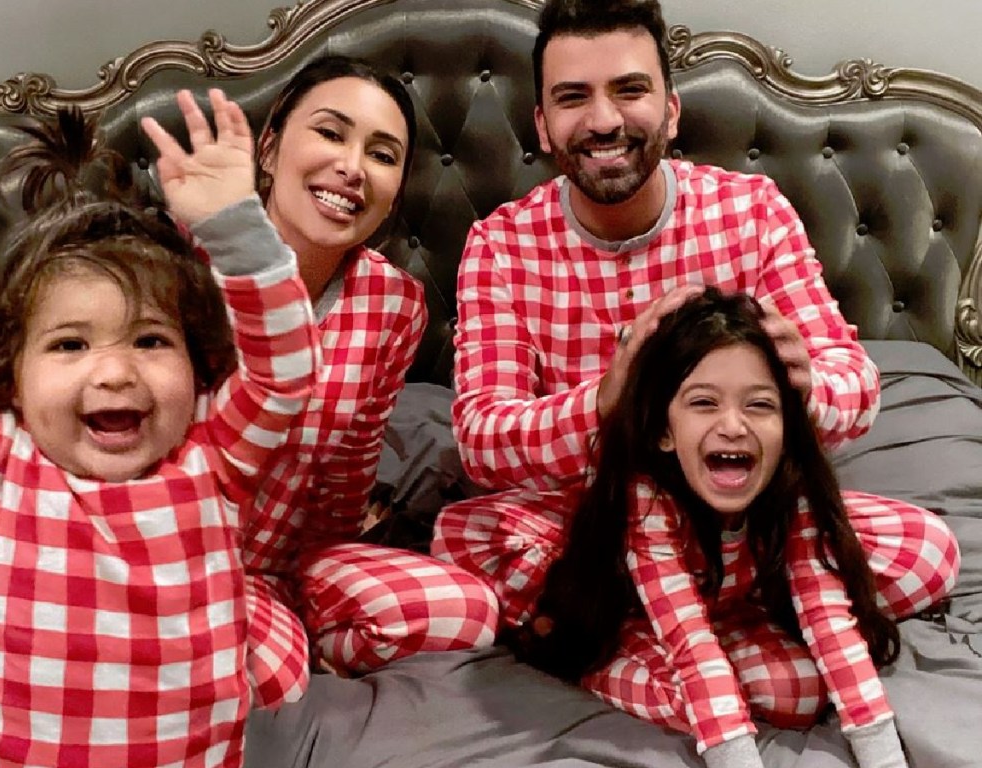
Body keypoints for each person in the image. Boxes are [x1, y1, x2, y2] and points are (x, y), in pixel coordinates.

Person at [432, 0, 959, 757]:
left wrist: (806, 387)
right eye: (574, 97)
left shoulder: (751, 213)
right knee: (475, 543)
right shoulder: (501, 246)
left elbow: (858, 385)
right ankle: (725, 646)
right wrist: (605, 402)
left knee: (926, 550)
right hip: (594, 537)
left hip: (747, 526)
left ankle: (667, 648)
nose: (605, 120)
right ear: (542, 125)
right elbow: (481, 442)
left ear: (671, 110)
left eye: (630, 90)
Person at [0, 91, 322, 767]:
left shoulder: (212, 459)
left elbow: (286, 373)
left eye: (151, 341)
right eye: (69, 345)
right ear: (12, 379)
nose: (116, 372)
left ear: (197, 361)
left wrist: (235, 228)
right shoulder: (4, 466)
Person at [519, 287, 955, 768]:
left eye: (759, 406)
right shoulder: (645, 500)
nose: (732, 425)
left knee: (800, 686)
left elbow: (829, 620)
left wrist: (886, 758)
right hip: (632, 608)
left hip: (735, 590)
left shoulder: (791, 491)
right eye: (704, 403)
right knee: (706, 684)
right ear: (664, 431)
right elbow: (689, 640)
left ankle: (738, 620)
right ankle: (594, 657)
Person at [234, 54, 498, 690]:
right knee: (272, 680)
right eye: (330, 133)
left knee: (472, 612)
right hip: (163, 556)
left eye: (382, 154)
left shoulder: (394, 304)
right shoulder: (175, 270)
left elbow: (350, 469)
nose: (351, 167)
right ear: (269, 149)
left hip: (292, 563)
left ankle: (295, 635)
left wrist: (328, 576)